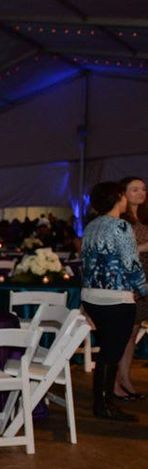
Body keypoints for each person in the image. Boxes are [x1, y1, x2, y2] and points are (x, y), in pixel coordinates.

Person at [81, 181, 148, 422]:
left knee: (107, 351)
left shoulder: (91, 226)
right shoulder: (121, 227)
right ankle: (104, 403)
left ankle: (103, 401)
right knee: (111, 352)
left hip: (92, 296)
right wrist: (143, 289)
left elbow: (86, 264)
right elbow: (131, 264)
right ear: (117, 198)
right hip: (116, 298)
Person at [114, 176, 147, 401]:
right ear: (123, 194)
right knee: (123, 333)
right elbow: (118, 253)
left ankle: (125, 378)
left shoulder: (143, 219)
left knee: (133, 333)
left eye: (143, 189)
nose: (140, 193)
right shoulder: (119, 221)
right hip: (128, 281)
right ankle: (117, 382)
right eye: (134, 189)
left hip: (144, 281)